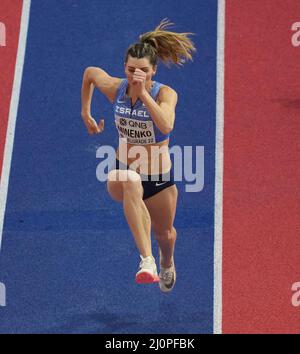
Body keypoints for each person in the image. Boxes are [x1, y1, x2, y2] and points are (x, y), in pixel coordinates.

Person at [81, 18, 196, 292]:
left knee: (164, 234)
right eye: (131, 70)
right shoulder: (117, 89)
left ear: (154, 70)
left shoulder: (165, 94)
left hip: (158, 178)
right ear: (125, 68)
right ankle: (147, 262)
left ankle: (165, 261)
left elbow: (166, 125)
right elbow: (90, 74)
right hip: (123, 171)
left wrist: (144, 94)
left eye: (143, 71)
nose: (135, 76)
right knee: (131, 179)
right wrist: (85, 113)